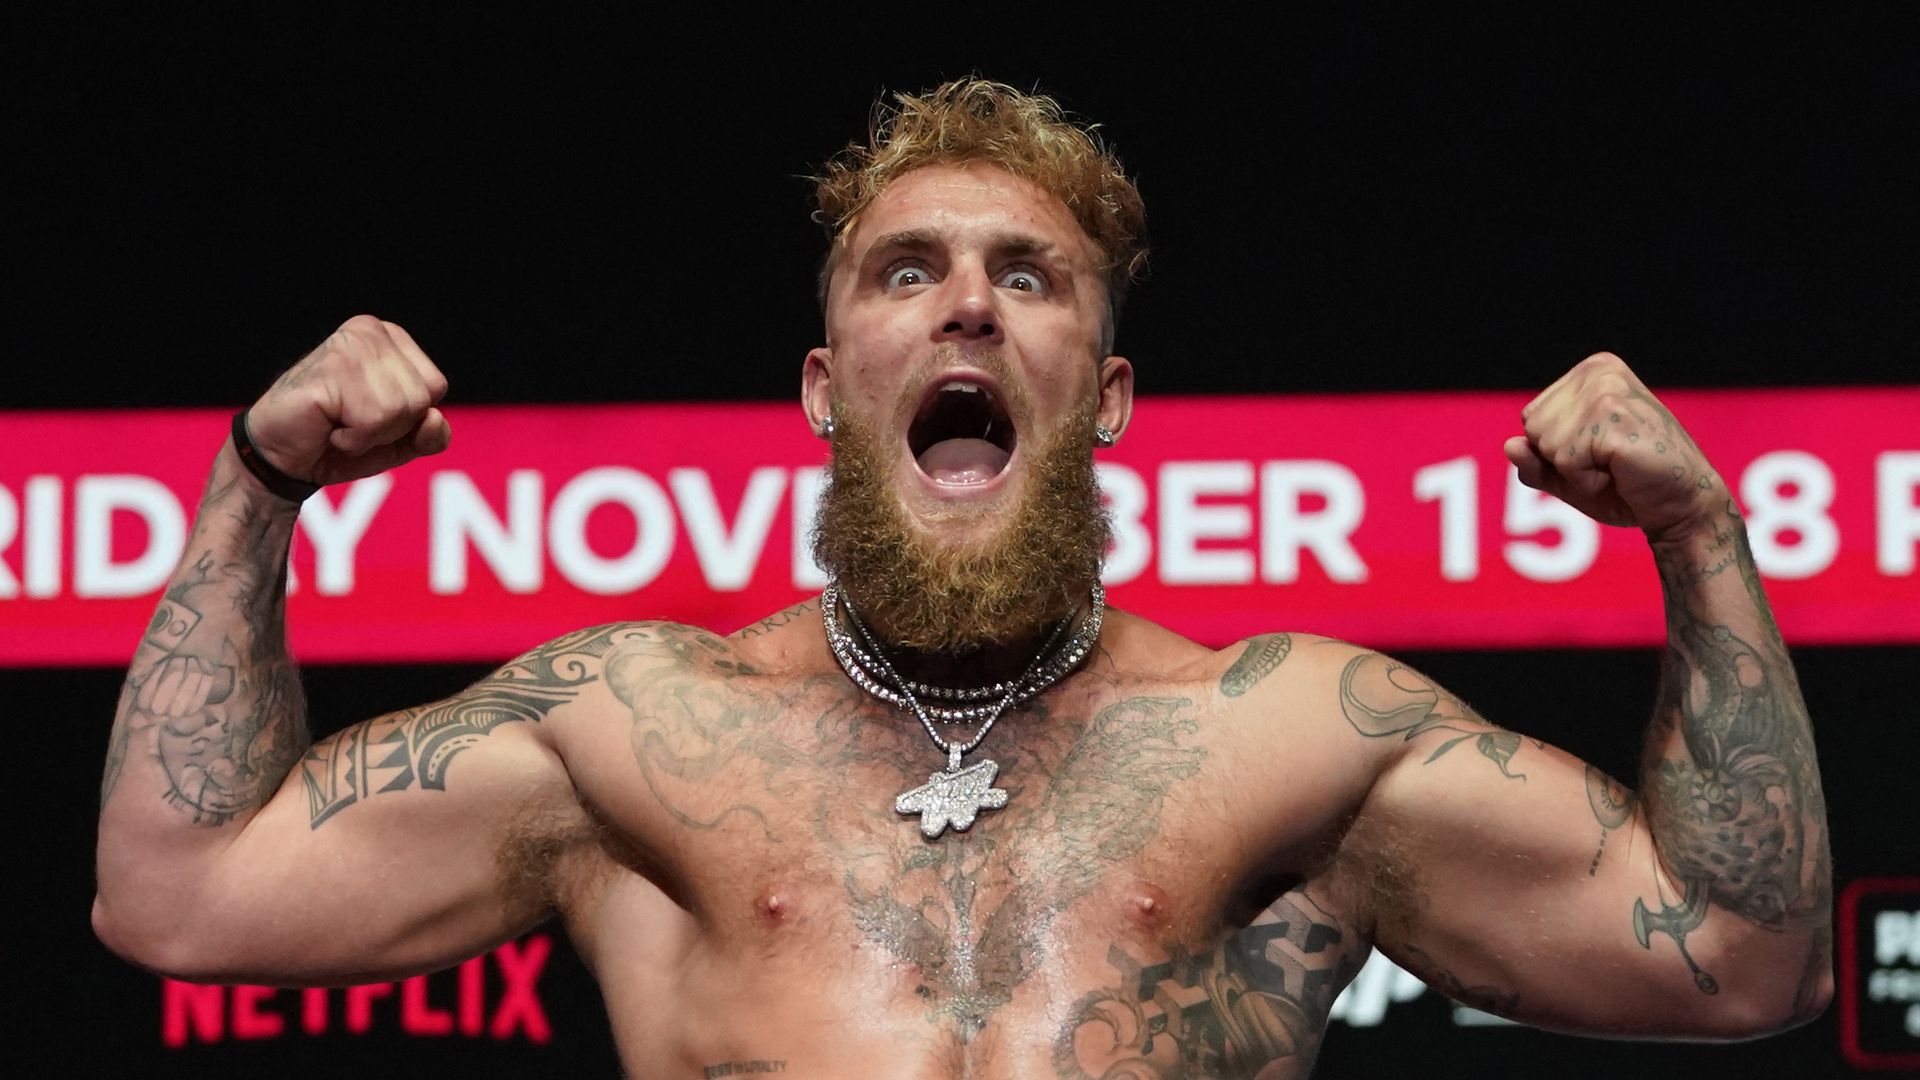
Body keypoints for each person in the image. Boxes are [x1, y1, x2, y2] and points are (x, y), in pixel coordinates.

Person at [93, 78, 1831, 1078]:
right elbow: (175, 900)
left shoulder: (1290, 740)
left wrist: (1701, 537)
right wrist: (257, 487)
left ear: (1111, 394)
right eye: (906, 270)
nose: (969, 307)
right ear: (823, 385)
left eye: (1034, 276)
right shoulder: (632, 729)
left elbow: (1746, 961)